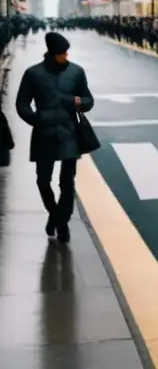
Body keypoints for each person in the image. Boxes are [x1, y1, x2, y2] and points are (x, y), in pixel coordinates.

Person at [15, 32, 95, 243]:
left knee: (67, 182)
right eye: (62, 53)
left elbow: (88, 100)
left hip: (69, 132)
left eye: (67, 52)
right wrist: (37, 120)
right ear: (52, 54)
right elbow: (22, 104)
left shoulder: (76, 72)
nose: (66, 56)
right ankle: (56, 216)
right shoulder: (33, 74)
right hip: (44, 133)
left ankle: (62, 222)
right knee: (43, 181)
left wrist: (77, 101)